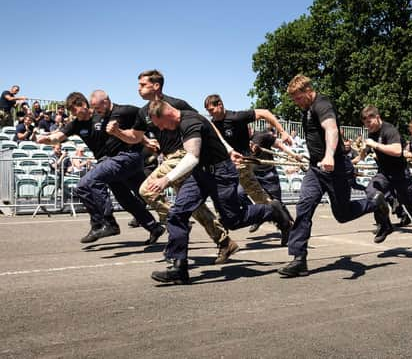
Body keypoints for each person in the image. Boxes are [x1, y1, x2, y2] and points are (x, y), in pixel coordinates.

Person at [145, 100, 292, 284]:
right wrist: (229, 149)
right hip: (201, 174)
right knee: (177, 213)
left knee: (233, 219)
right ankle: (179, 268)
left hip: (221, 174)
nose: (163, 130)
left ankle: (273, 210)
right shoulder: (186, 120)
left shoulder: (190, 123)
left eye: (161, 125)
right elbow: (214, 133)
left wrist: (166, 179)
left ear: (166, 114)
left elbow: (191, 157)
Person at [107, 69, 236, 264]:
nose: (138, 89)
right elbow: (135, 137)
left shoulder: (176, 104)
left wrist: (227, 148)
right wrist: (117, 132)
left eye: (143, 85)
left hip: (183, 156)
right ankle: (224, 241)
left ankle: (175, 220)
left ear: (156, 85)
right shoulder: (144, 112)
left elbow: (204, 125)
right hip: (170, 160)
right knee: (195, 208)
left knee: (146, 190)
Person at [277, 75, 387, 278]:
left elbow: (331, 129)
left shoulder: (322, 104)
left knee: (342, 215)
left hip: (335, 168)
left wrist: (329, 155)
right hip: (316, 170)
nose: (296, 102)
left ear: (309, 91)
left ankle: (374, 202)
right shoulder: (306, 110)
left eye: (298, 98)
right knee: (303, 207)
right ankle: (299, 259)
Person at [37, 91, 165, 245]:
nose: (72, 114)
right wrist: (47, 140)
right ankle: (154, 227)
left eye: (73, 110)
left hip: (124, 158)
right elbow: (58, 136)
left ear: (83, 105)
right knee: (129, 199)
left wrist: (147, 140)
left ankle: (106, 223)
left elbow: (134, 124)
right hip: (111, 163)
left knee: (86, 184)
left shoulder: (106, 115)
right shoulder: (76, 124)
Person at [204, 94, 294, 223]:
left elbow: (265, 113)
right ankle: (228, 216)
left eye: (212, 110)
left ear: (220, 105)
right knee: (230, 193)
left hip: (243, 163)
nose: (211, 114)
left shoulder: (236, 117)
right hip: (227, 165)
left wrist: (282, 131)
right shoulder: (213, 124)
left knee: (258, 196)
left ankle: (283, 222)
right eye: (208, 111)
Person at [360, 105, 412, 252]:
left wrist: (375, 145)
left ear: (377, 117)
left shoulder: (389, 130)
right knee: (372, 192)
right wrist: (361, 151)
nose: (367, 126)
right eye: (365, 123)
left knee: (411, 205)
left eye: (369, 122)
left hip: (400, 174)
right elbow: (362, 156)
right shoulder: (371, 134)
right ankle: (385, 225)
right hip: (384, 174)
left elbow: (397, 150)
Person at [246, 127, 303, 233]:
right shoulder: (241, 139)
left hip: (268, 174)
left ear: (249, 128)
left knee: (278, 203)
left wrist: (294, 155)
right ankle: (259, 217)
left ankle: (290, 227)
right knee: (242, 194)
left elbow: (279, 145)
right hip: (252, 175)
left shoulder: (262, 135)